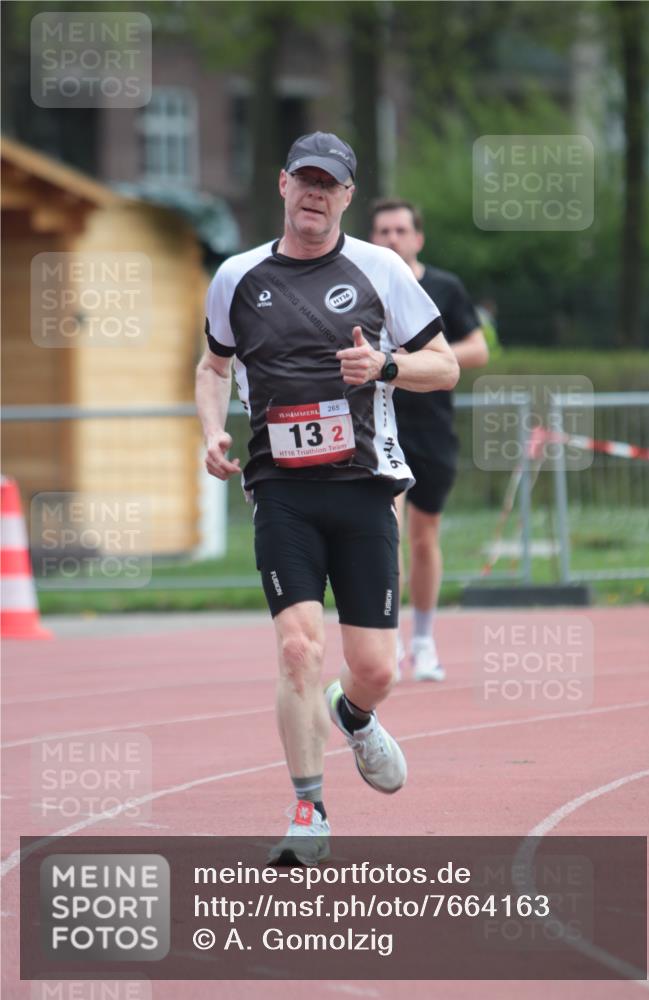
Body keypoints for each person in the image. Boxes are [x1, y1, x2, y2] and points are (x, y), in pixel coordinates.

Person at [196, 134, 459, 865]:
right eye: (303, 180)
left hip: (364, 488)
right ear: (282, 185)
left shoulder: (380, 269)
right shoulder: (237, 277)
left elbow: (444, 369)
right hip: (280, 489)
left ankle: (354, 714)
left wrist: (385, 365)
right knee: (296, 650)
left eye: (329, 184)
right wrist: (211, 432)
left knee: (376, 667)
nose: (314, 194)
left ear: (346, 196)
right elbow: (213, 367)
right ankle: (308, 809)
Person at [370, 199, 489, 682]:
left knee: (424, 539)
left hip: (433, 430)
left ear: (418, 238)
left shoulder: (444, 287)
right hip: (378, 429)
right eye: (383, 231)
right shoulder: (361, 285)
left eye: (401, 230)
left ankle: (423, 641)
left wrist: (417, 357)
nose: (392, 238)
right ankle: (389, 640)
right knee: (387, 535)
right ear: (371, 238)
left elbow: (478, 349)